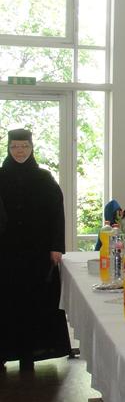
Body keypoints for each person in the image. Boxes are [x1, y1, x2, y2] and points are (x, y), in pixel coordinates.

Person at [0, 129, 71, 370]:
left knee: (34, 301)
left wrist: (56, 247)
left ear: (31, 148)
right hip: (6, 252)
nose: (19, 151)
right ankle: (5, 351)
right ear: (9, 148)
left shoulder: (44, 178)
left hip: (37, 252)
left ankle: (31, 352)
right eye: (15, 147)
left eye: (24, 146)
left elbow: (57, 214)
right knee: (7, 302)